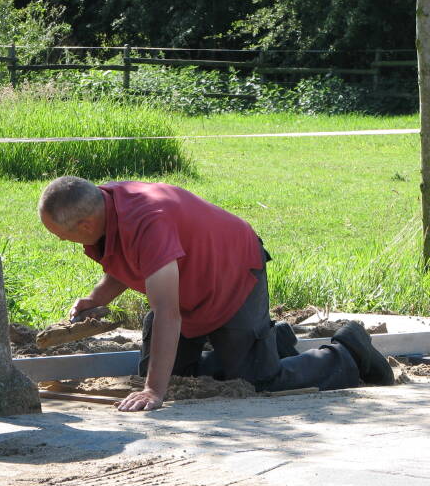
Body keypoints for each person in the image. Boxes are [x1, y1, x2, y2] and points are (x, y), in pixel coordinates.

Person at [38, 176, 394, 412]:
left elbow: (167, 313)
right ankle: (272, 343)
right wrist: (98, 298)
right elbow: (127, 258)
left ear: (85, 224)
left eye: (60, 234)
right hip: (190, 288)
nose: (60, 240)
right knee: (172, 372)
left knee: (256, 381)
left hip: (232, 276)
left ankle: (347, 352)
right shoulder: (104, 203)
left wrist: (154, 392)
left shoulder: (148, 221)